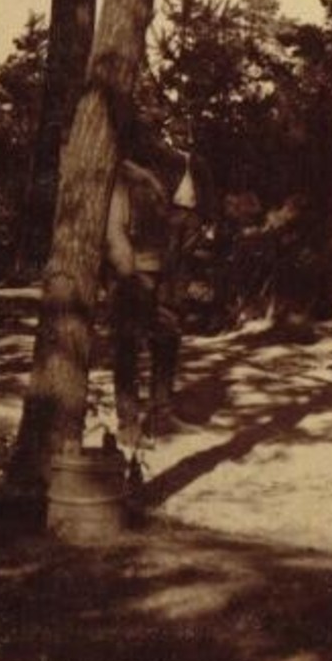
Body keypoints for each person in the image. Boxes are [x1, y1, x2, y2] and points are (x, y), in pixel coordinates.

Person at [104, 155, 183, 446]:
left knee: (168, 337)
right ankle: (129, 425)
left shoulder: (150, 174)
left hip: (160, 270)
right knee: (128, 346)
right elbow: (114, 229)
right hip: (135, 272)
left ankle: (162, 414)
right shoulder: (120, 175)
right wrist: (129, 275)